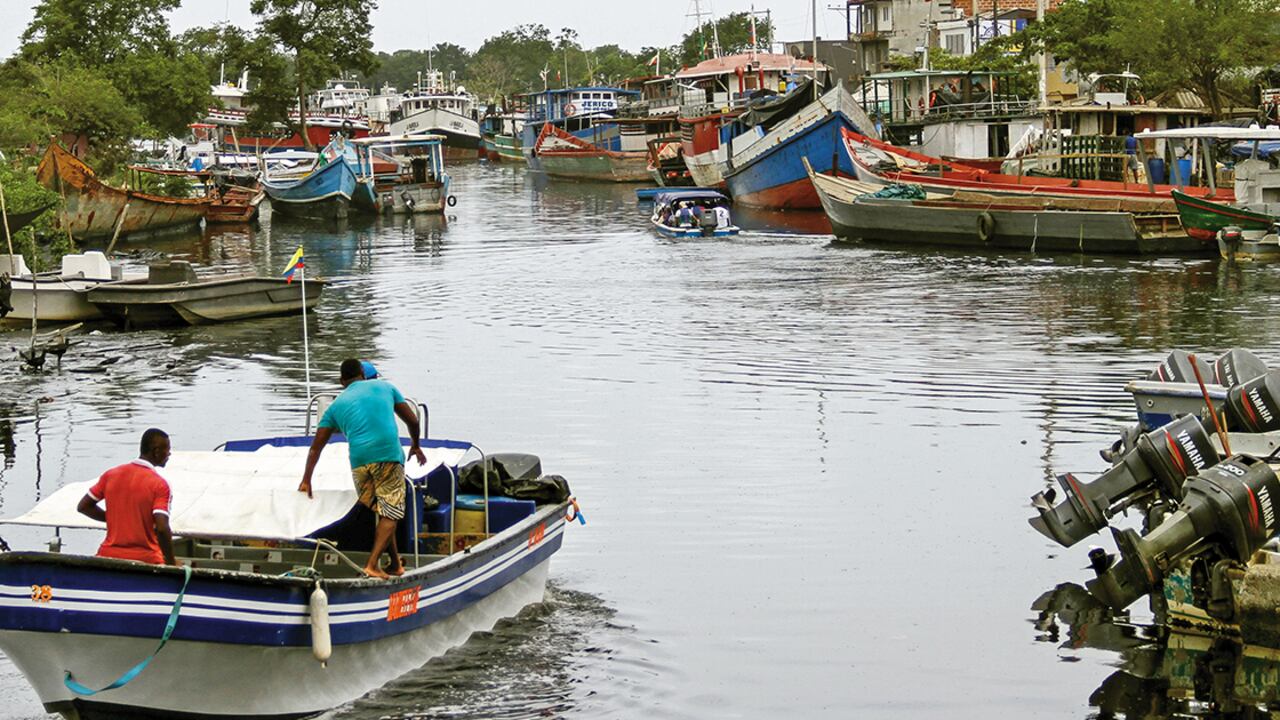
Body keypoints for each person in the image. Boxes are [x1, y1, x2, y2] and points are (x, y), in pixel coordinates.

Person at [299, 359, 425, 579]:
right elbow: (413, 421)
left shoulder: (335, 406)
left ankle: (395, 564)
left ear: (342, 381)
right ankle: (372, 565)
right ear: (363, 374)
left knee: (383, 511)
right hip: (388, 457)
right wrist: (415, 445)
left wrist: (307, 479)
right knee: (391, 512)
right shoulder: (386, 388)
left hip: (359, 463)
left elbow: (315, 448)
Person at [76, 428, 176, 566]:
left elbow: (84, 507)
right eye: (167, 449)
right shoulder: (160, 485)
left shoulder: (110, 475)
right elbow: (162, 528)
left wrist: (114, 519)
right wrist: (171, 563)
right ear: (156, 451)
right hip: (146, 559)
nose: (169, 453)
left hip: (107, 556)